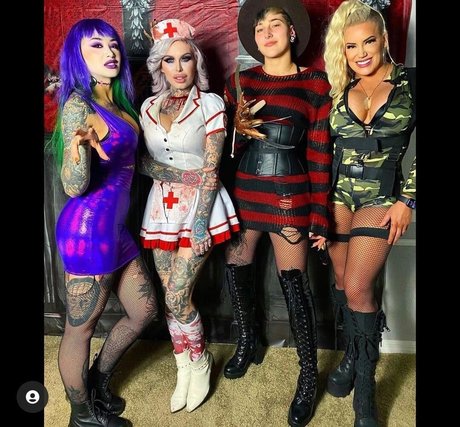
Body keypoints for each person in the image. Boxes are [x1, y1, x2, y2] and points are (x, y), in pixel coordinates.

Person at [223, 1, 332, 425]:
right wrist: (234, 129)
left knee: (294, 284)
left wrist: (320, 215)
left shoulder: (315, 83)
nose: (266, 33)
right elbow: (223, 149)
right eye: (260, 28)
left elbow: (320, 154)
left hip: (290, 194)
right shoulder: (240, 81)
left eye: (275, 25)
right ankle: (248, 341)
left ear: (291, 32)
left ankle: (307, 376)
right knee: (237, 267)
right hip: (244, 191)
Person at [50, 18, 158, 427]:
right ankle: (81, 416)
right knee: (80, 328)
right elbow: (74, 186)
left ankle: (96, 380)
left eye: (112, 44)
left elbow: (136, 163)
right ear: (78, 57)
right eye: (95, 45)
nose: (110, 51)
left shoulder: (120, 105)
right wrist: (77, 150)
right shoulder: (79, 105)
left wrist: (191, 175)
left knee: (143, 311)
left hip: (115, 229)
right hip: (87, 232)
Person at [138, 19, 240, 413]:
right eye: (170, 60)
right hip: (160, 209)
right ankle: (183, 364)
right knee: (170, 295)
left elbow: (211, 171)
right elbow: (145, 164)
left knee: (178, 295)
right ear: (159, 66)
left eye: (185, 59)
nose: (179, 68)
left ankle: (200, 360)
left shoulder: (210, 103)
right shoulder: (148, 107)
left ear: (196, 62)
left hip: (202, 209)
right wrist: (185, 175)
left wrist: (199, 225)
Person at [323, 1, 416, 425]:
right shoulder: (338, 90)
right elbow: (323, 150)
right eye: (351, 46)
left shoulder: (410, 83)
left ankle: (365, 391)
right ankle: (350, 356)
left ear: (384, 39)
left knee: (359, 286)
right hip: (337, 198)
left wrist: (407, 199)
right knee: (343, 282)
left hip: (381, 198)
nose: (361, 53)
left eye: (368, 42)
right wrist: (316, 211)